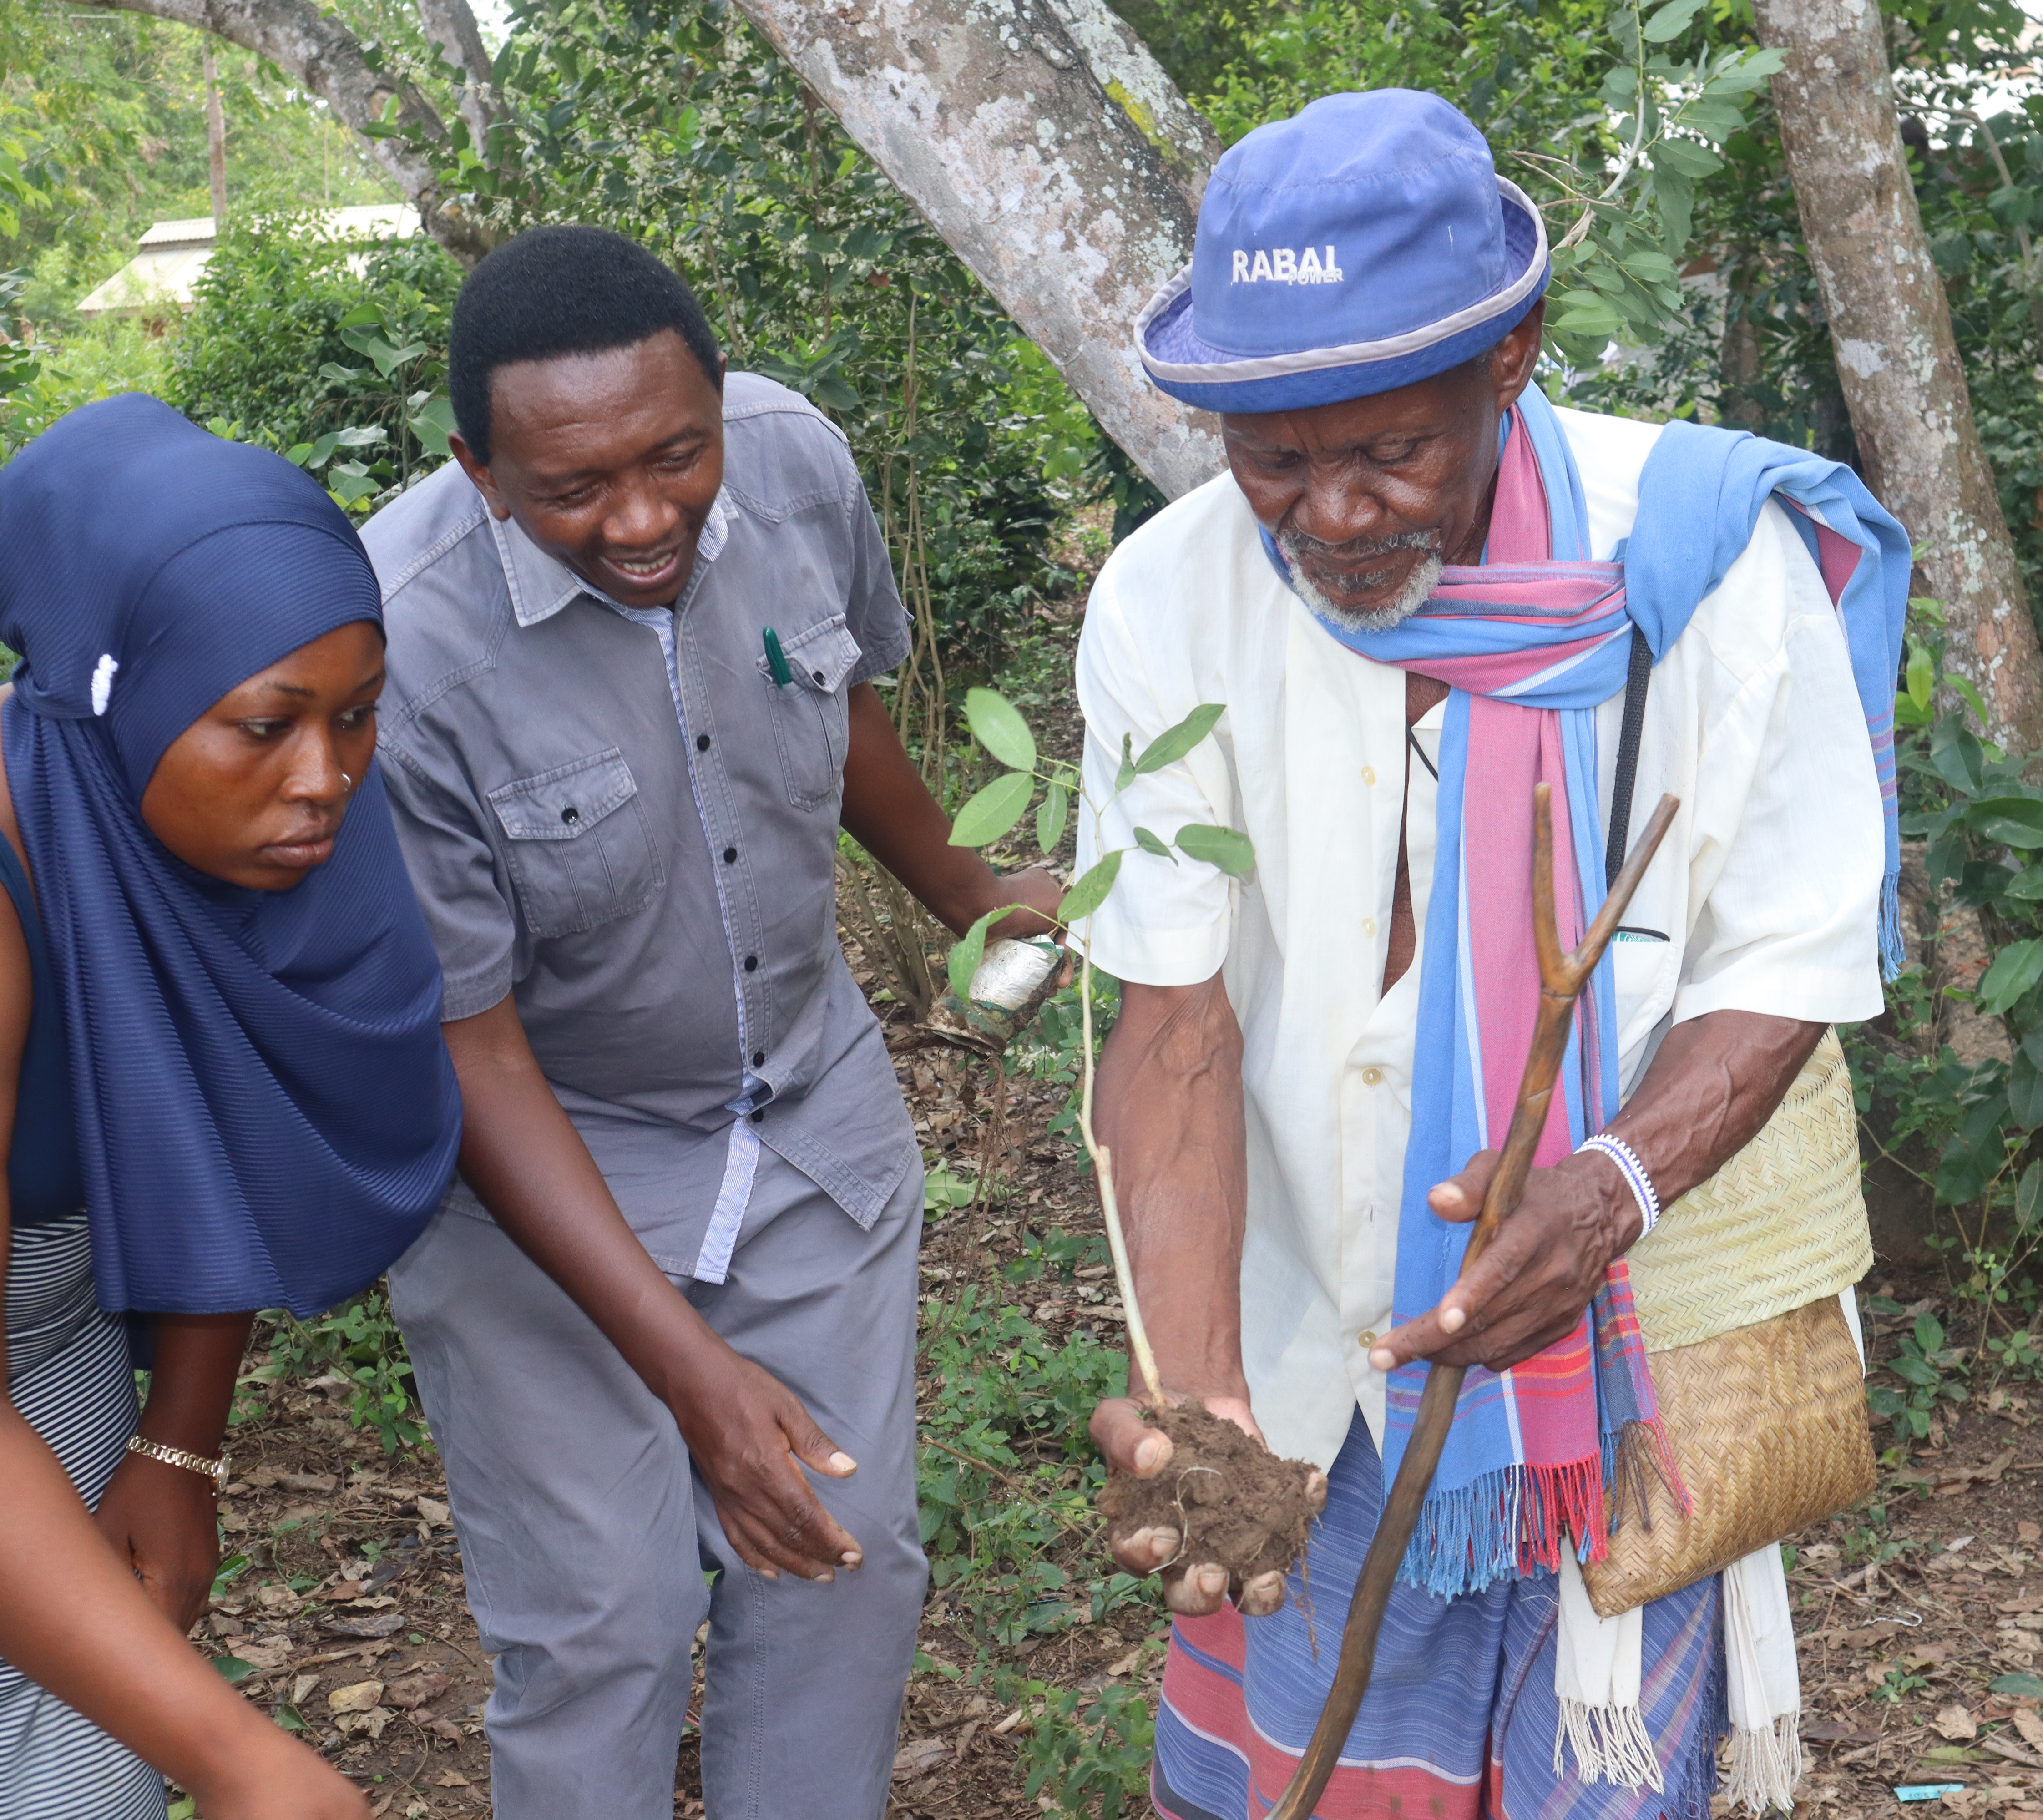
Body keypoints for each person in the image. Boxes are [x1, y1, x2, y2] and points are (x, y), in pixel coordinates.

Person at [1078, 91, 1906, 1817]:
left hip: (1632, 1339)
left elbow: (1796, 946)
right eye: (1276, 460)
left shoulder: (1704, 565)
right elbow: (1173, 1024)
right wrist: (1205, 1397)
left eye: (1393, 451)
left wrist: (1607, 1188)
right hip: (1316, 1325)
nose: (1332, 515)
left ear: (1512, 355)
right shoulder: (1171, 603)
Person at [361, 224, 1060, 1820]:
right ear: (478, 471)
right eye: (572, 491)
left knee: (844, 1567)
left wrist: (977, 895)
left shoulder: (799, 469)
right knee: (603, 1623)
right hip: (543, 1169)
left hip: (805, 1116)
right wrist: (693, 1379)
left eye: (679, 457)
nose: (642, 517)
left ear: (721, 403)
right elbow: (472, 1048)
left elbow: (845, 700)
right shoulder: (399, 643)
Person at [0, 394, 465, 1819]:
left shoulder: (256, 832)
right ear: (113, 695)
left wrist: (177, 1443)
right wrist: (240, 1756)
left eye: (357, 716)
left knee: (77, 1781)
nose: (324, 781)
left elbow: (217, 1127)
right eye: (264, 726)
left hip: (51, 1330)